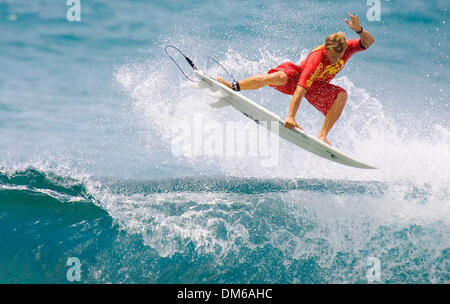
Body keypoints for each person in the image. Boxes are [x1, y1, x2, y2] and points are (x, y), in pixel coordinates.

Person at [218, 12, 375, 146]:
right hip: (296, 77)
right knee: (275, 77)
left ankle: (322, 135)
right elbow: (299, 91)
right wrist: (291, 117)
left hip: (317, 87)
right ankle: (233, 87)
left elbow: (369, 42)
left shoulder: (346, 48)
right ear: (326, 49)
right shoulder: (316, 60)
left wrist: (359, 30)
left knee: (342, 95)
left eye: (339, 57)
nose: (335, 60)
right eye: (332, 57)